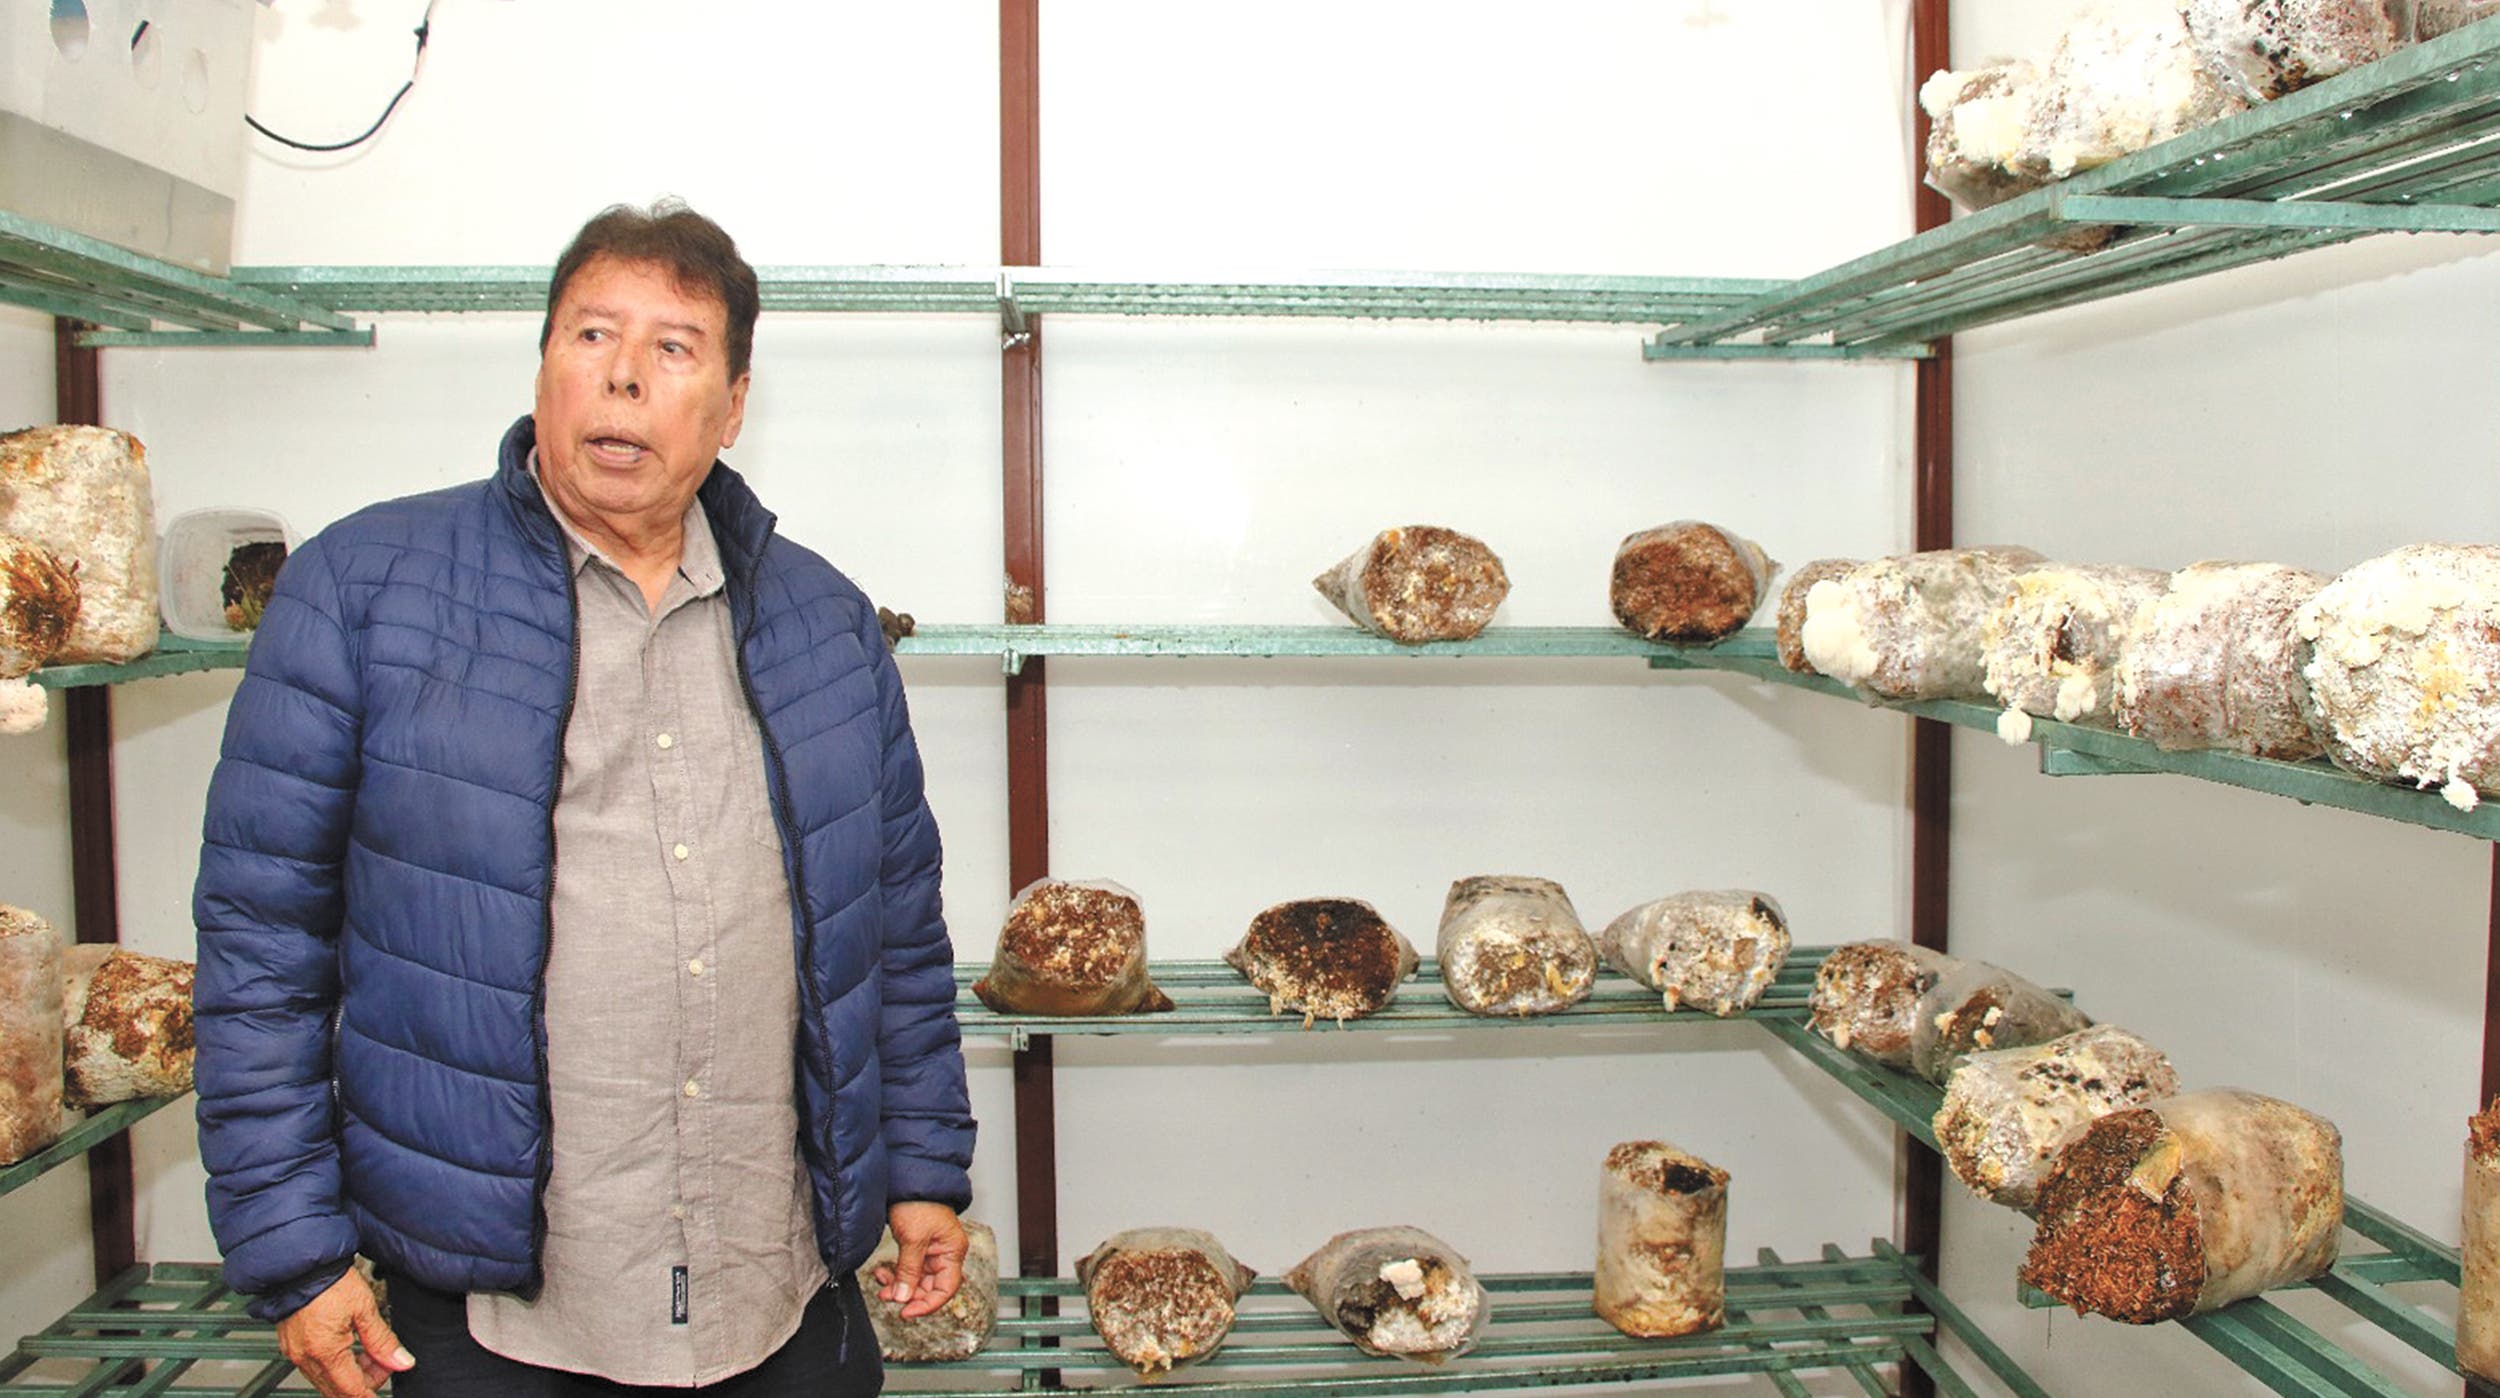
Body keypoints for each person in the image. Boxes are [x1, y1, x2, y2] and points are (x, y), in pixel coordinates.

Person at [192, 200, 976, 1398]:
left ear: (732, 403)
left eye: (673, 347)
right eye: (592, 335)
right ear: (544, 367)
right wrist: (294, 1252)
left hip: (776, 1291)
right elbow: (260, 947)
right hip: (497, 1316)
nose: (623, 376)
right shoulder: (362, 593)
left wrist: (920, 1169)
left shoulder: (824, 624)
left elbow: (897, 933)